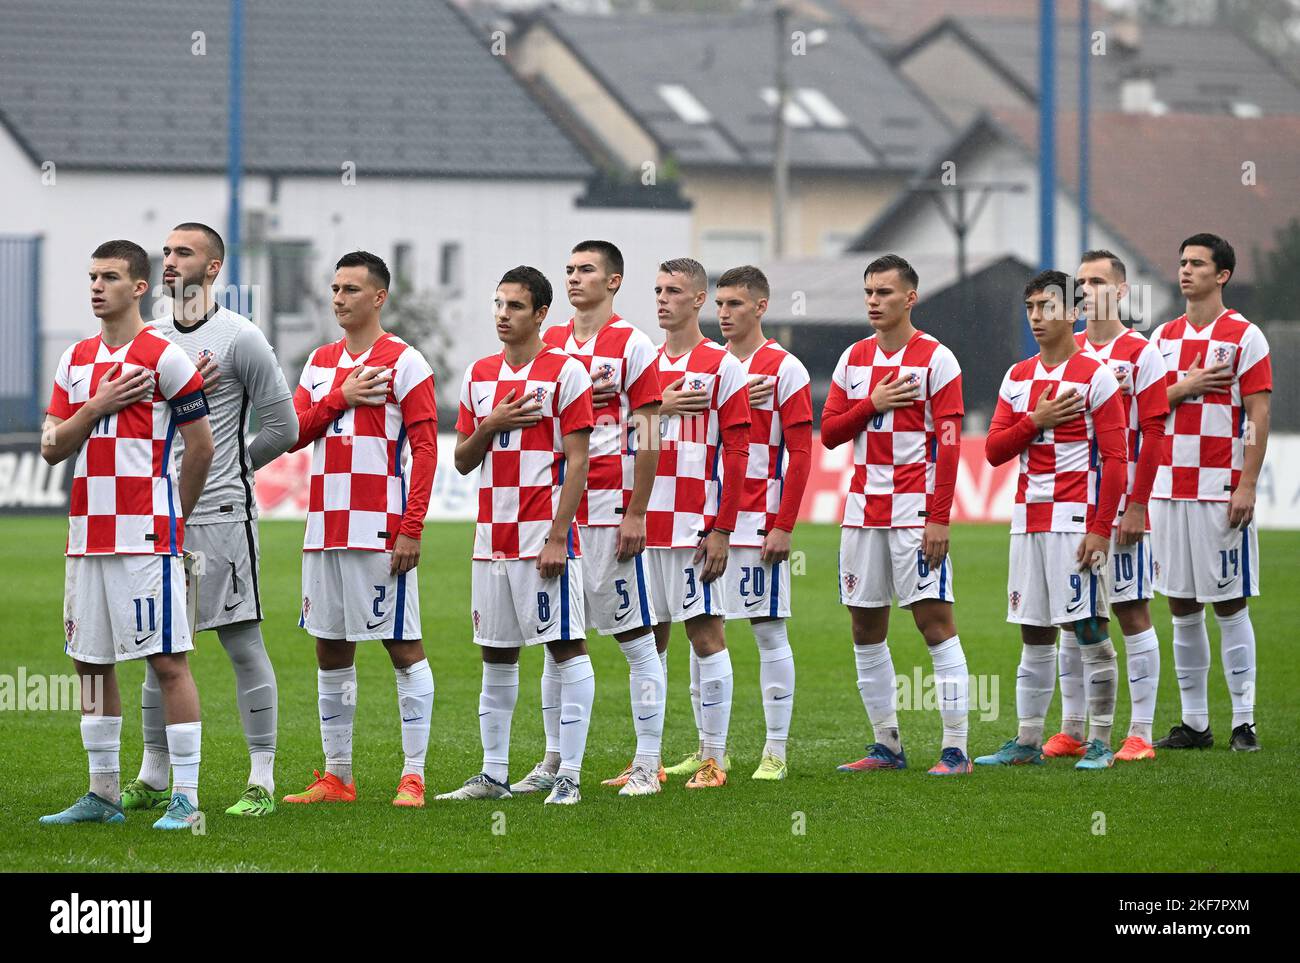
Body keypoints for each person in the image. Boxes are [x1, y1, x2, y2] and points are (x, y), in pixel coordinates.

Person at [39, 240, 214, 829]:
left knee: (168, 662)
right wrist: (95, 406)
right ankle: (103, 794)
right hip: (87, 535)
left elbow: (203, 447)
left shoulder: (164, 357)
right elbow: (51, 446)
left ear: (139, 287)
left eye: (109, 277)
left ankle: (186, 798)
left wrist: (175, 517)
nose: (96, 287)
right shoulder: (76, 359)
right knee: (90, 664)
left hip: (147, 537)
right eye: (91, 276)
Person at [125, 222, 297, 818]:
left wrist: (233, 468)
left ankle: (262, 778)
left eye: (184, 253)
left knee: (241, 640)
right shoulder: (148, 337)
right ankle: (151, 774)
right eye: (166, 252)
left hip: (222, 515)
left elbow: (286, 428)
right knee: (160, 647)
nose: (170, 262)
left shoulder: (241, 338)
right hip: (156, 516)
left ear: (214, 268)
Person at [509, 241, 666, 798]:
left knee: (634, 637)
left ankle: (648, 763)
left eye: (586, 270)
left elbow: (650, 430)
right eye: (569, 270)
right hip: (555, 513)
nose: (574, 278)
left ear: (615, 281)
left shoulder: (634, 344)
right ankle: (553, 760)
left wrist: (637, 511)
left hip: (609, 509)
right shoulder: (548, 342)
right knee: (558, 637)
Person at [283, 251, 438, 808]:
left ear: (378, 298)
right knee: (330, 648)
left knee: (402, 647)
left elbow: (425, 448)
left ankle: (413, 774)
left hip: (381, 529)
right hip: (324, 526)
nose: (338, 298)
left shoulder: (406, 362)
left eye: (351, 289)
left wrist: (411, 527)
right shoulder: (320, 362)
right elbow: (294, 431)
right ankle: (338, 776)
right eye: (334, 287)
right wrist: (339, 397)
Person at [437, 266, 596, 805]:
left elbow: (579, 463)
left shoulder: (566, 373)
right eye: (499, 304)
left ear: (541, 314)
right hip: (491, 541)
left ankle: (569, 773)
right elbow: (460, 460)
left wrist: (557, 536)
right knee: (497, 655)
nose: (503, 315)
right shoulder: (479, 374)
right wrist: (491, 423)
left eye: (516, 306)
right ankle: (494, 775)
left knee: (566, 646)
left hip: (543, 539)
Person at [820, 255, 971, 776]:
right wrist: (872, 403)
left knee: (935, 624)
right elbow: (832, 433)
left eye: (884, 292)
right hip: (862, 511)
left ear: (910, 297)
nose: (873, 301)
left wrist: (940, 516)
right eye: (868, 292)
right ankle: (887, 745)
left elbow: (949, 443)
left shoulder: (937, 359)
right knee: (865, 627)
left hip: (914, 513)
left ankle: (956, 749)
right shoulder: (853, 359)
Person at [976, 269, 1127, 770]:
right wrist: (1035, 421)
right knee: (1034, 630)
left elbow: (1117, 459)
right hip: (1028, 521)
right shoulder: (1017, 377)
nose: (1038, 317)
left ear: (1075, 312)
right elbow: (995, 450)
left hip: (1075, 520)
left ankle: (1100, 742)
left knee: (1086, 628)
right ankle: (1026, 741)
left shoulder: (1095, 374)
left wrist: (1100, 529)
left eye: (1048, 307)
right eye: (1031, 308)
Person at [1040, 250, 1167, 763]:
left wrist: (1137, 504)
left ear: (1120, 291)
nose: (1088, 289)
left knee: (1131, 610)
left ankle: (1141, 732)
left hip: (1120, 508)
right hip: (1070, 506)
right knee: (1075, 617)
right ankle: (1072, 728)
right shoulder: (1066, 357)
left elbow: (1155, 430)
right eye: (1081, 282)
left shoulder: (1140, 351)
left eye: (1098, 281)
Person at [1149, 233, 1271, 752]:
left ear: (1221, 274)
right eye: (1181, 262)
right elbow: (1144, 406)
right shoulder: (1160, 338)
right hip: (1164, 488)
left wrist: (1246, 483)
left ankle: (1244, 722)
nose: (1185, 271)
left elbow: (1259, 417)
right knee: (1180, 604)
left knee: (1229, 603)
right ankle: (1195, 723)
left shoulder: (1246, 337)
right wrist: (1185, 386)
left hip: (1219, 489)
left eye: (1197, 263)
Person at [649, 258, 751, 789]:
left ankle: (714, 758)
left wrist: (722, 528)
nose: (663, 299)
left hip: (694, 522)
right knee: (648, 640)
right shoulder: (642, 361)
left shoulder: (722, 364)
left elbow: (738, 449)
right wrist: (655, 411)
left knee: (706, 633)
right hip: (644, 522)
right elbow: (627, 437)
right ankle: (649, 759)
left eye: (674, 291)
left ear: (699, 300)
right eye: (658, 290)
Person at [716, 265, 812, 780]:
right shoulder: (709, 365)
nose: (725, 313)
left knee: (768, 631)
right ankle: (713, 751)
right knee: (703, 630)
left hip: (759, 523)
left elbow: (801, 453)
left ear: (761, 306)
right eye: (720, 304)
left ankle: (775, 750)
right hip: (711, 521)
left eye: (735, 303)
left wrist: (784, 524)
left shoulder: (784, 368)